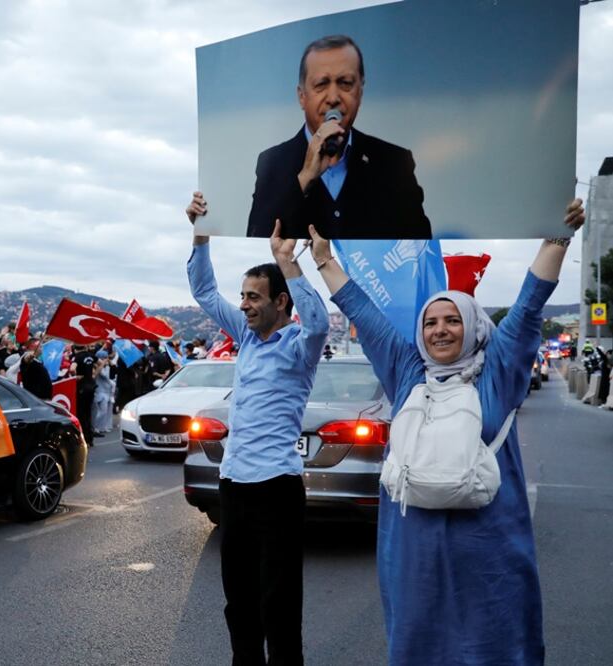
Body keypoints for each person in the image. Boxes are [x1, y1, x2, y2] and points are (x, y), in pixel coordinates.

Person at [307, 199, 585, 664]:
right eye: (431, 322)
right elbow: (364, 315)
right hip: (414, 559)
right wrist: (323, 261)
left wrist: (557, 239)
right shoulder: (407, 372)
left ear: (472, 326)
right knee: (420, 650)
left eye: (453, 320)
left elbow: (527, 307)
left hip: (490, 557)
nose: (440, 330)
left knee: (494, 649)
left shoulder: (497, 374)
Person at [187, 191, 329, 665]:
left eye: (254, 297)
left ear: (280, 301)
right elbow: (205, 293)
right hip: (234, 487)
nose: (244, 305)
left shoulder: (298, 346)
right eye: (243, 296)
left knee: (279, 605)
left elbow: (318, 323)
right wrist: (201, 235)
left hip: (277, 490)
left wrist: (288, 261)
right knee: (240, 603)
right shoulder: (245, 337)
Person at [246, 34, 431, 240]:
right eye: (321, 84)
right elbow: (257, 239)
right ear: (302, 96)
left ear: (360, 92)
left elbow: (421, 245)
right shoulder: (274, 163)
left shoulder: (394, 162)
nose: (333, 98)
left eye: (345, 83)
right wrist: (304, 178)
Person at [70, 345, 99, 447]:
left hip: (82, 387)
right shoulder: (90, 355)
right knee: (88, 412)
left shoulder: (77, 357)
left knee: (81, 413)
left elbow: (72, 369)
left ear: (75, 349)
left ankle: (85, 439)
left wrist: (75, 376)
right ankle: (90, 438)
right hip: (91, 385)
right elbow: (100, 363)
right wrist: (93, 375)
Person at [92, 349, 116, 435]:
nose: (107, 359)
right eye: (105, 358)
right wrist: (103, 364)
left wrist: (110, 365)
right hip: (100, 392)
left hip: (107, 391)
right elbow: (104, 375)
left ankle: (103, 427)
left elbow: (112, 374)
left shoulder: (107, 366)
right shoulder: (97, 367)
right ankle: (95, 427)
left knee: (106, 411)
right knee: (101, 411)